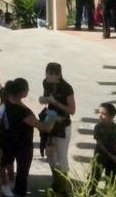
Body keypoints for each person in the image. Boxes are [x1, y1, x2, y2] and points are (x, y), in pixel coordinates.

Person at [0, 79, 56, 197]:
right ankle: (19, 192)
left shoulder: (6, 102)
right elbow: (44, 127)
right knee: (22, 171)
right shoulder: (22, 112)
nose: (28, 90)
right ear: (21, 93)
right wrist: (52, 116)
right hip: (22, 144)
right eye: (27, 89)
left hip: (6, 141)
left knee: (5, 161)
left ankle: (6, 185)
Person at [40, 63, 76, 197]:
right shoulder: (46, 83)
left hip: (62, 125)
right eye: (46, 73)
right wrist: (43, 100)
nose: (47, 77)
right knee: (50, 154)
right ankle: (56, 179)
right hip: (50, 121)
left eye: (50, 74)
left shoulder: (66, 88)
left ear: (58, 75)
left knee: (61, 157)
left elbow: (72, 111)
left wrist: (55, 103)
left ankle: (62, 187)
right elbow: (45, 100)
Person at [91, 102, 116, 184]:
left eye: (103, 114)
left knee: (111, 179)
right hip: (100, 157)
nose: (100, 115)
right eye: (99, 112)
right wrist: (111, 156)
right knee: (94, 177)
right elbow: (100, 144)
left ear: (112, 116)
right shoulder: (98, 127)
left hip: (112, 158)